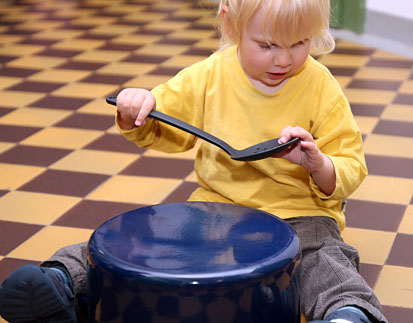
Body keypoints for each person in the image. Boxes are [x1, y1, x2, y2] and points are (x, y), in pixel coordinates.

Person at [0, 0, 387, 322]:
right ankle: (61, 280)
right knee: (144, 242)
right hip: (215, 212)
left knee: (326, 260)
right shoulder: (210, 74)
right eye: (267, 45)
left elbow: (351, 164)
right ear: (231, 25)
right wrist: (137, 107)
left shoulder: (320, 86)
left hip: (300, 214)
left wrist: (318, 164)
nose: (284, 59)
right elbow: (164, 122)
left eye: (300, 43)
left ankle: (347, 313)